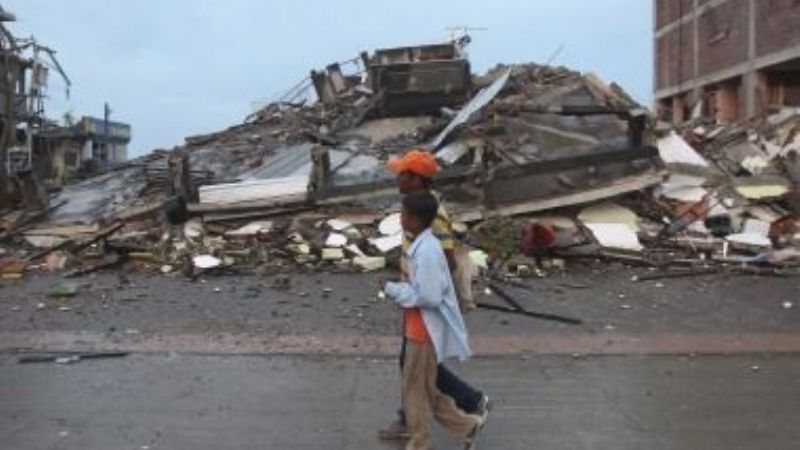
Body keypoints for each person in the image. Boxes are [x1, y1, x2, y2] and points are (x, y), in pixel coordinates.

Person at [380, 149, 489, 441]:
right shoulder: (418, 207)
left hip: (422, 304)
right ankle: (459, 418)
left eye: (402, 174)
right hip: (415, 301)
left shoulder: (433, 216)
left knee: (418, 369)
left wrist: (408, 289)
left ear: (416, 179)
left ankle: (467, 403)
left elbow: (445, 260)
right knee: (417, 368)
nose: (397, 179)